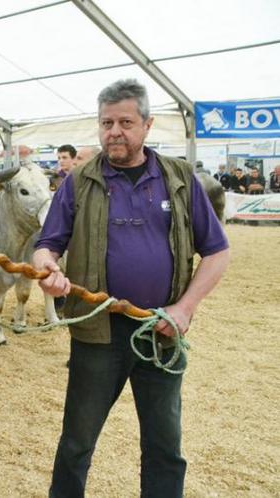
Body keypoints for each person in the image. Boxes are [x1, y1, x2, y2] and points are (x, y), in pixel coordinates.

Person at [33, 79, 230, 498]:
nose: (114, 131)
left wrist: (185, 308)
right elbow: (47, 245)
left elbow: (216, 252)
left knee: (164, 446)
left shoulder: (179, 178)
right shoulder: (79, 180)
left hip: (160, 332)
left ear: (147, 124)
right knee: (76, 442)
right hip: (97, 333)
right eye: (107, 122)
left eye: (125, 121)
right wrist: (47, 270)